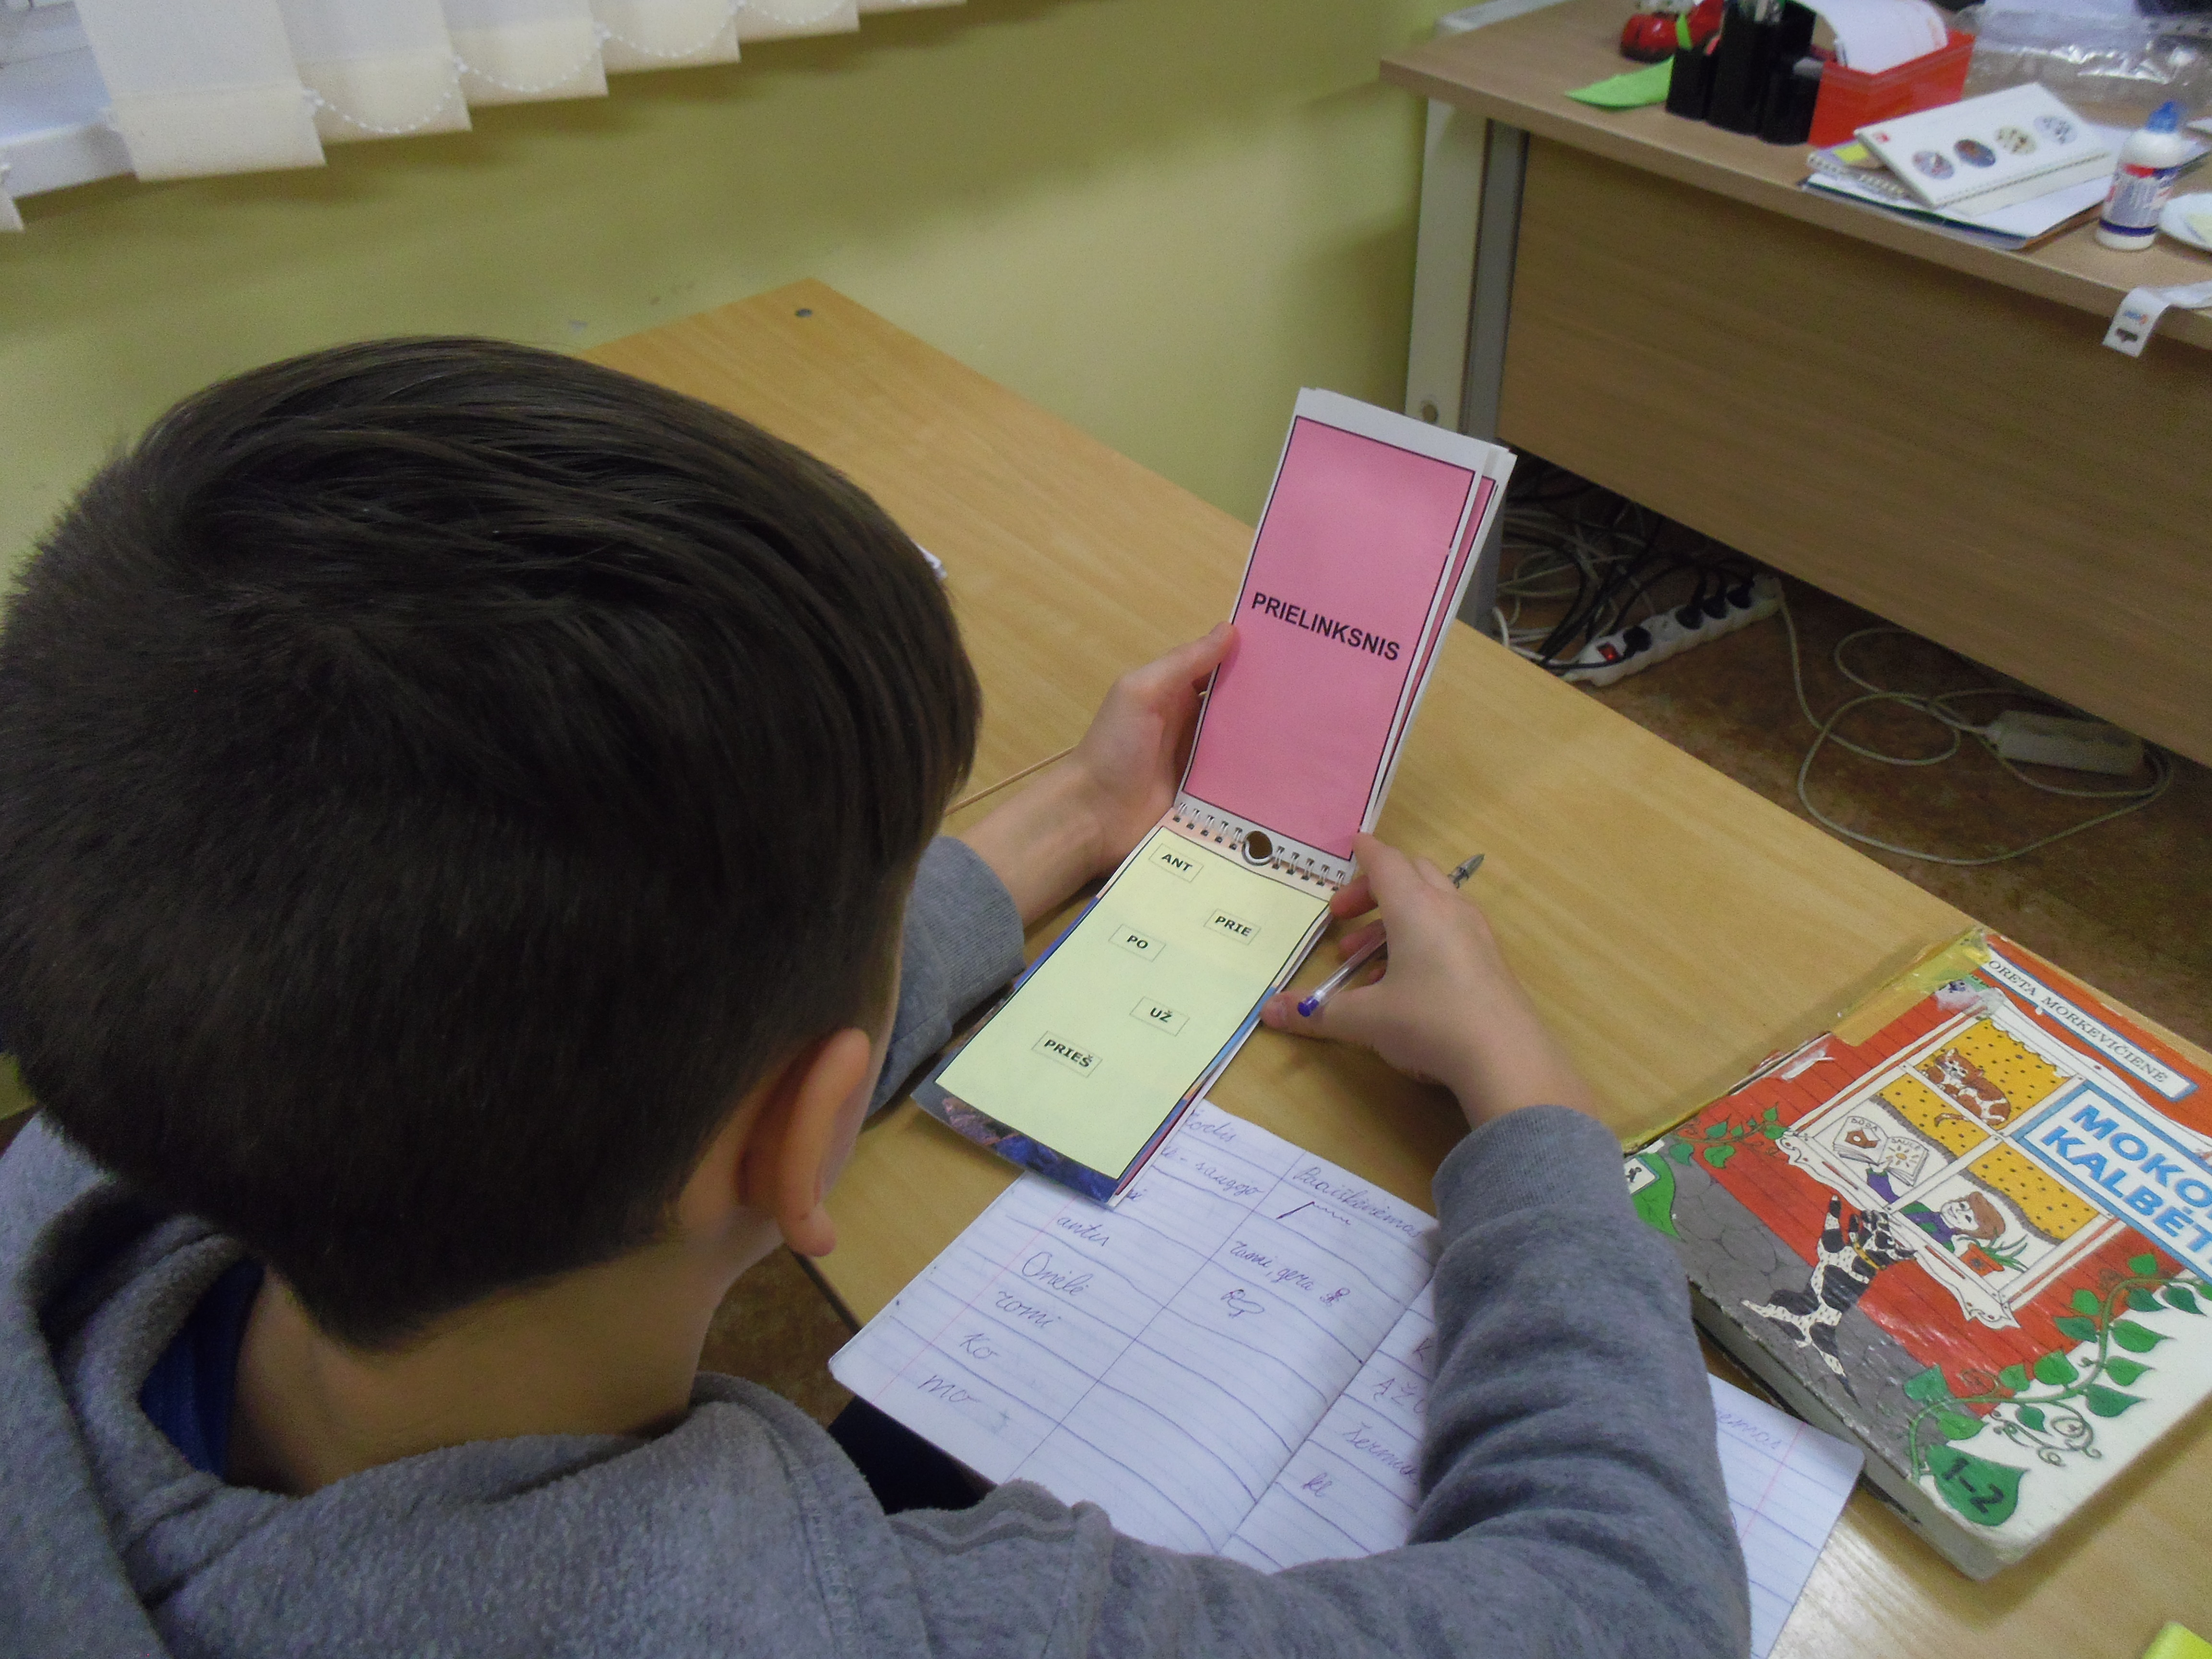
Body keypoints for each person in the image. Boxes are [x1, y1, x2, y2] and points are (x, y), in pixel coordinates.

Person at [0, 340, 1748, 1658]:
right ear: (799, 1133)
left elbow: (585, 1043)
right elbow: (1628, 1608)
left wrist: (1077, 813)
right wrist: (1531, 1105)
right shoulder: (878, 1624)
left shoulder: (120, 1116)